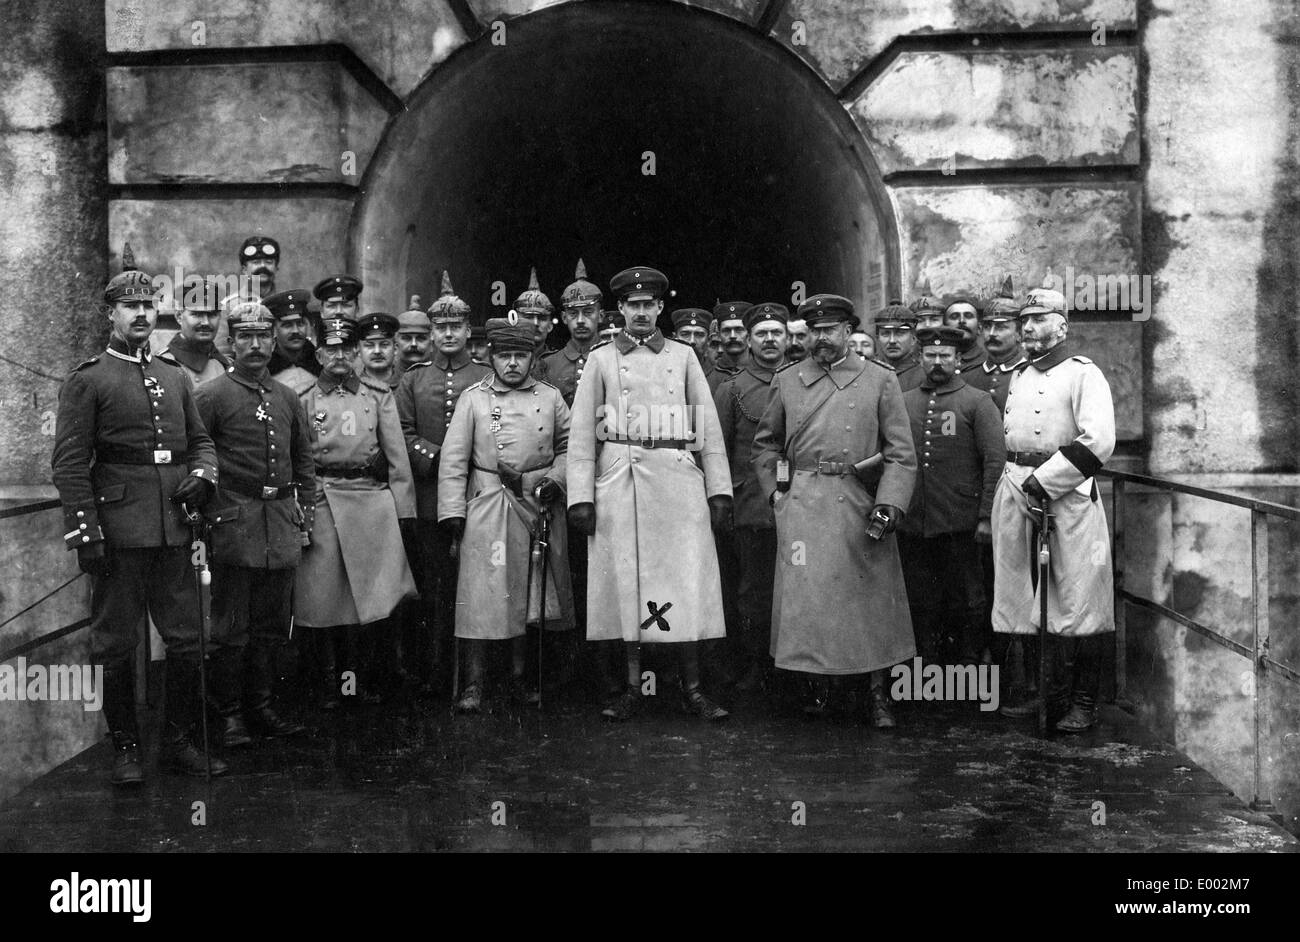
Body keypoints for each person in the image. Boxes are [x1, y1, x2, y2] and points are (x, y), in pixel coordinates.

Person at [51, 247, 226, 783]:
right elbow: (70, 463)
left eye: (149, 304)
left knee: (188, 637)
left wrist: (203, 476)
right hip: (118, 532)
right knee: (115, 641)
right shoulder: (88, 379)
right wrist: (87, 533)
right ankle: (126, 747)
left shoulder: (175, 377)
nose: (142, 314)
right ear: (111, 314)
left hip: (175, 528)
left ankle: (176, 742)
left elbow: (201, 443)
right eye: (130, 306)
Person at [568, 265, 733, 722]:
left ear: (660, 308)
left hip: (677, 481)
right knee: (628, 586)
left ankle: (694, 688)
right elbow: (583, 435)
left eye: (648, 305)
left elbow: (707, 428)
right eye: (632, 305)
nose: (640, 313)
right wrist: (580, 496)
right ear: (619, 310)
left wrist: (718, 488)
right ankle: (631, 689)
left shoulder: (683, 356)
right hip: (622, 479)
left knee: (684, 584)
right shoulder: (601, 359)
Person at [752, 293, 917, 729]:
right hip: (803, 503)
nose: (821, 339)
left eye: (830, 330)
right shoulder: (787, 380)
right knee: (811, 603)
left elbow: (901, 454)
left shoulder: (879, 379)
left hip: (859, 503)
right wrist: (776, 495)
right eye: (814, 331)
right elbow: (766, 445)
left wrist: (890, 503)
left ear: (848, 331)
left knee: (871, 601)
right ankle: (818, 689)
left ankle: (878, 693)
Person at [993, 286, 1116, 732]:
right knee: (1023, 595)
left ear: (1062, 324)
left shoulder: (1083, 373)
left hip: (1066, 495)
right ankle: (1045, 693)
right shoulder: (1021, 374)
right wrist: (1017, 483)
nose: (1028, 327)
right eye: (1024, 320)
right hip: (1016, 490)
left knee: (1080, 597)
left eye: (1039, 318)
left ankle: (1083, 702)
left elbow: (1099, 440)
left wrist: (1046, 481)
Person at [438, 315, 574, 712]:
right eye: (505, 356)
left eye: (521, 355)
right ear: (492, 358)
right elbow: (453, 460)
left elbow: (569, 448)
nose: (512, 364)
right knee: (481, 596)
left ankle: (519, 678)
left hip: (536, 505)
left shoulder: (549, 398)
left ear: (533, 358)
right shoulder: (474, 398)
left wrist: (556, 480)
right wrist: (453, 516)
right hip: (487, 504)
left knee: (526, 594)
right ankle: (474, 684)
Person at [194, 301, 313, 745]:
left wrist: (307, 516)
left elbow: (303, 462)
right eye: (246, 336)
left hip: (280, 523)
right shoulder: (211, 396)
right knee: (231, 629)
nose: (257, 345)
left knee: (271, 624)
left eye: (264, 336)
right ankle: (228, 716)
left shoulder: (287, 398)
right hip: (234, 524)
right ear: (232, 341)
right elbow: (198, 457)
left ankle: (261, 708)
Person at [295, 316, 417, 707]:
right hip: (324, 499)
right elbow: (299, 462)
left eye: (347, 349)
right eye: (332, 350)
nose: (341, 357)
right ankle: (330, 685)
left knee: (367, 602)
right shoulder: (303, 400)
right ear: (318, 355)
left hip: (369, 501)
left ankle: (358, 683)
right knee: (324, 602)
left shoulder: (377, 395)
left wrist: (403, 515)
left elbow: (398, 460)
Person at [395, 272, 491, 698]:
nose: (448, 334)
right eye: (441, 328)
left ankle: (477, 677)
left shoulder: (487, 376)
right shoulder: (414, 380)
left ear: (469, 331)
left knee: (477, 589)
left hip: (480, 495)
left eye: (456, 327)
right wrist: (441, 459)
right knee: (434, 590)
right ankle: (435, 675)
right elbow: (402, 431)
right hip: (431, 499)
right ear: (431, 332)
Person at [898, 326, 1004, 666]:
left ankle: (969, 663)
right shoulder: (905, 402)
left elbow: (994, 460)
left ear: (958, 359)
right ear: (920, 359)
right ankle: (928, 664)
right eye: (931, 355)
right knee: (922, 597)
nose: (938, 362)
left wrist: (987, 515)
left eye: (946, 356)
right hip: (916, 520)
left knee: (968, 598)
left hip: (961, 520)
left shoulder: (977, 401)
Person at [712, 301, 788, 692]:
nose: (770, 340)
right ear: (749, 340)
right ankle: (754, 665)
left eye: (777, 332)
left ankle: (792, 667)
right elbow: (719, 451)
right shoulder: (732, 389)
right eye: (762, 334)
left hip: (800, 505)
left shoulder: (803, 380)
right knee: (752, 591)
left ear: (788, 337)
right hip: (752, 507)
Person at [542, 260, 602, 408]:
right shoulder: (548, 365)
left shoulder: (614, 359)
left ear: (600, 316)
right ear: (564, 318)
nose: (580, 320)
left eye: (588, 312)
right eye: (573, 314)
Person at [964, 276, 1026, 413]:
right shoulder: (968, 377)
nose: (991, 334)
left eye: (1001, 327)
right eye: (987, 327)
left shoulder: (1030, 375)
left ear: (1019, 334)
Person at [159, 290, 229, 386]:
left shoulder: (225, 363)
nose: (206, 322)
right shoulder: (165, 364)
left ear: (220, 317)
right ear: (179, 317)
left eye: (212, 315)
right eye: (197, 314)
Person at [265, 289, 320, 395]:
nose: (295, 331)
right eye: (287, 325)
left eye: (300, 324)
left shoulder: (319, 362)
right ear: (274, 329)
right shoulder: (265, 366)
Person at [513, 268, 556, 380]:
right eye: (528, 317)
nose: (535, 323)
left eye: (542, 318)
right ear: (515, 321)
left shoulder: (558, 361)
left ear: (550, 326)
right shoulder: (504, 360)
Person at [874, 301, 923, 391]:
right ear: (878, 339)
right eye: (885, 334)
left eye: (900, 333)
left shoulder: (924, 376)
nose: (892, 341)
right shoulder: (869, 374)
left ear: (913, 339)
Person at [706, 300, 751, 394]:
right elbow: (695, 409)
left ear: (749, 334)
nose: (732, 336)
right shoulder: (703, 380)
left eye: (739, 330)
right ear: (718, 335)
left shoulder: (766, 374)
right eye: (726, 330)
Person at [943, 294, 987, 378]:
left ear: (979, 328)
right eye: (954, 316)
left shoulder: (989, 362)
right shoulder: (934, 361)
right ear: (944, 328)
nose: (962, 321)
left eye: (968, 316)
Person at [357, 312, 401, 390]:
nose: (377, 351)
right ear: (359, 351)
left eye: (384, 344)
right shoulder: (352, 389)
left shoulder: (407, 385)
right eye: (369, 345)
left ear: (395, 349)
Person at [396, 296, 434, 370]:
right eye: (406, 338)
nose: (414, 344)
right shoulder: (386, 377)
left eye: (421, 338)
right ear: (396, 345)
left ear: (431, 345)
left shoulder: (441, 378)